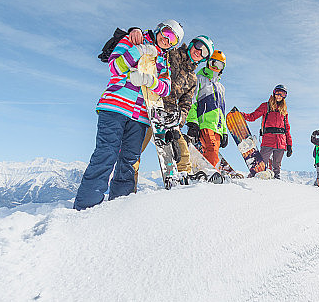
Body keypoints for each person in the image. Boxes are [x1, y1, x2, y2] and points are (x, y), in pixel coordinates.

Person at [73, 20, 182, 210]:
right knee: (106, 154)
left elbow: (165, 89)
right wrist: (139, 51)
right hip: (115, 108)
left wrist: (149, 81)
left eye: (173, 40)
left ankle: (118, 208)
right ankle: (86, 207)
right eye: (166, 33)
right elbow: (114, 66)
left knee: (129, 161)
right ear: (159, 29)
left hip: (140, 116)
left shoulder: (163, 59)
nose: (167, 39)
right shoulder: (132, 40)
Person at [132, 33, 214, 187]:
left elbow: (186, 104)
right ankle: (128, 189)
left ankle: (184, 185)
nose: (199, 52)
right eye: (198, 46)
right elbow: (156, 48)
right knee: (135, 150)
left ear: (204, 59)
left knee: (182, 152)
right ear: (192, 44)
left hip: (169, 117)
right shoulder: (172, 54)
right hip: (148, 107)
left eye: (204, 53)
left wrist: (178, 124)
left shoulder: (193, 79)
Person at [186, 50, 229, 172]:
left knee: (213, 151)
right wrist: (192, 122)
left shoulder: (221, 88)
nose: (215, 67)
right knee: (211, 149)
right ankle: (209, 174)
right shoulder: (199, 79)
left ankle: (203, 172)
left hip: (218, 127)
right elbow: (192, 101)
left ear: (222, 68)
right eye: (212, 63)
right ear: (207, 63)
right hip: (205, 123)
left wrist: (224, 131)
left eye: (219, 65)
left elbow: (222, 111)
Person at [242, 84, 292, 179]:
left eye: (282, 94)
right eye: (278, 93)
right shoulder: (266, 106)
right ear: (274, 93)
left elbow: (287, 129)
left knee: (277, 166)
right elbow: (253, 116)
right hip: (268, 141)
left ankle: (276, 182)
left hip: (281, 142)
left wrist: (289, 145)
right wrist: (242, 115)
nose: (279, 96)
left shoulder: (284, 111)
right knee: (261, 164)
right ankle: (251, 179)